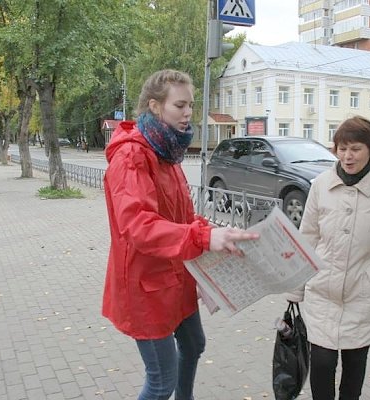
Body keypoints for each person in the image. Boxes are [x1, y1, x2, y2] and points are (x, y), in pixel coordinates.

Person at [102, 69, 259, 400]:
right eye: (180, 105)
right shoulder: (133, 155)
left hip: (175, 278)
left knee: (194, 344)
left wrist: (215, 231)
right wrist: (202, 239)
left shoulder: (166, 151)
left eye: (191, 105)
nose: (189, 113)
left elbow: (182, 217)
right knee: (160, 380)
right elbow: (138, 226)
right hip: (147, 287)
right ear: (156, 107)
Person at [286, 116, 370, 400]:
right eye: (342, 148)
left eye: (356, 149)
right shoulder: (321, 185)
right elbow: (308, 238)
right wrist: (296, 287)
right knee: (322, 365)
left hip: (363, 297)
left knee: (354, 367)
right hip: (322, 293)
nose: (347, 156)